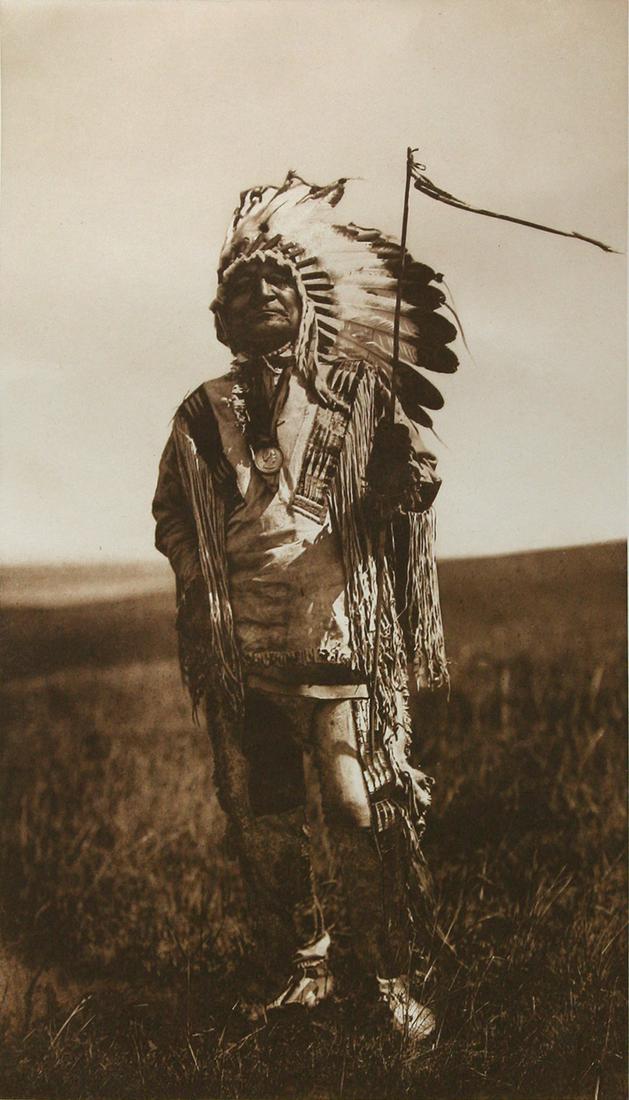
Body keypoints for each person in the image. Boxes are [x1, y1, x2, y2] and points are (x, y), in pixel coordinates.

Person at [152, 171, 458, 1042]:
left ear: (305, 301)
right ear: (221, 319)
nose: (260, 297)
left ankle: (393, 978)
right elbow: (173, 511)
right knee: (267, 819)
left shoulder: (361, 396)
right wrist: (200, 572)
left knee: (358, 811)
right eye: (241, 291)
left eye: (275, 282)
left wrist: (405, 478)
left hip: (339, 645)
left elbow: (414, 484)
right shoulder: (198, 413)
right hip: (243, 651)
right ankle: (306, 970)